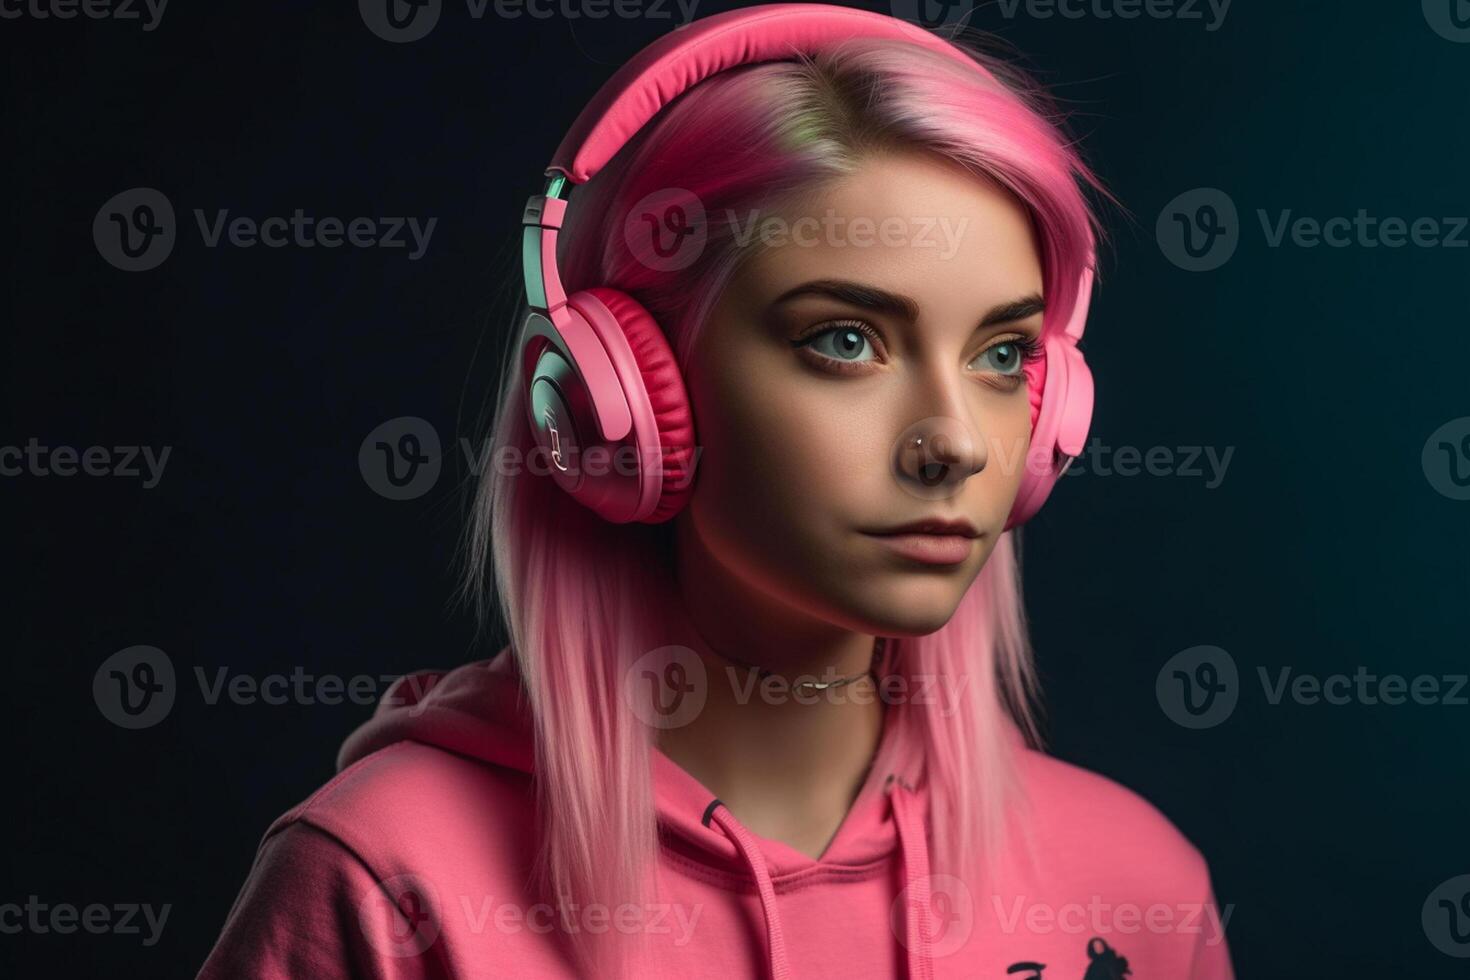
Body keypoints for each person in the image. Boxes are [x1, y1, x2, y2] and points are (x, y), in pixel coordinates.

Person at [198, 5, 1234, 977]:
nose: (955, 441)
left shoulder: (1136, 882)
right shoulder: (383, 882)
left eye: (1003, 354)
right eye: (845, 340)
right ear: (622, 398)